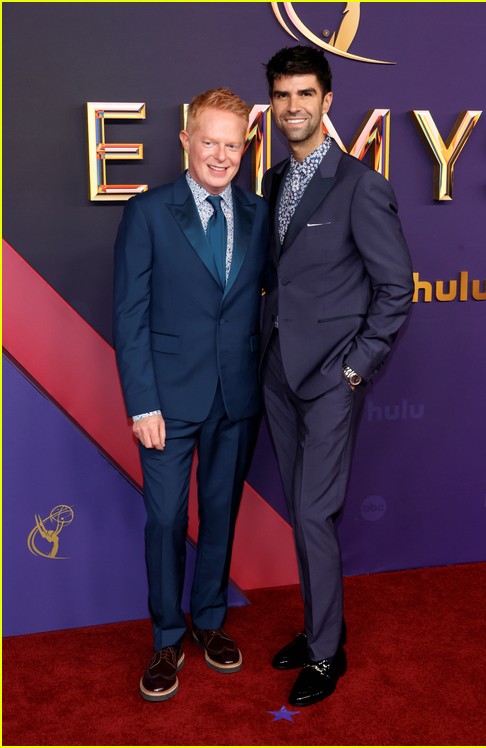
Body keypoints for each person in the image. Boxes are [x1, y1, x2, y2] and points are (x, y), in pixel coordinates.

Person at [260, 46, 413, 707]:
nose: (293, 107)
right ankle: (320, 623)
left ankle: (326, 654)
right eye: (282, 95)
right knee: (302, 512)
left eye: (305, 95)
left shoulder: (361, 185)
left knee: (315, 514)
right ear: (273, 102)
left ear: (327, 101)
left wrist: (356, 366)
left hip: (329, 378)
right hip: (276, 376)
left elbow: (397, 288)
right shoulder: (271, 182)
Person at [113, 88, 269, 702]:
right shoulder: (149, 212)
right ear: (186, 139)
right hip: (167, 404)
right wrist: (141, 403)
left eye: (233, 144)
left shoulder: (257, 213)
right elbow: (129, 315)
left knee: (222, 515)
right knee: (166, 519)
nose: (221, 155)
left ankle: (209, 622)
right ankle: (166, 637)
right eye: (210, 141)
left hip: (236, 396)